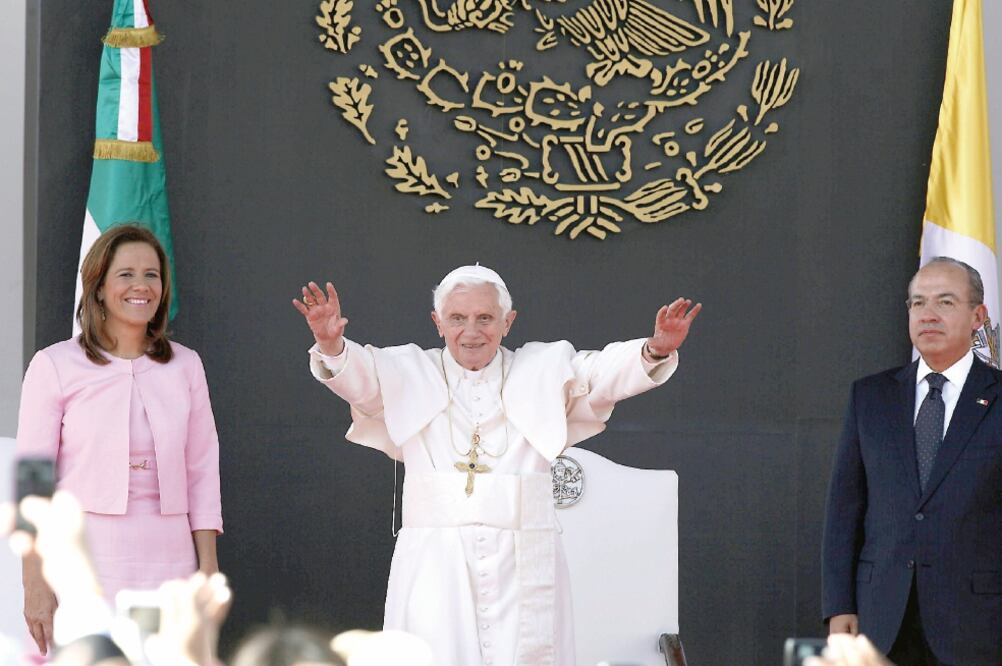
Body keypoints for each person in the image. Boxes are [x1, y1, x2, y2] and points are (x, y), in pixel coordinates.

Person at [292, 264, 701, 665]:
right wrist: (331, 346)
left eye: (485, 318)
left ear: (509, 322)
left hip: (523, 562)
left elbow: (602, 373)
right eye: (457, 318)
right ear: (437, 322)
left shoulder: (544, 367)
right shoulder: (407, 370)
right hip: (436, 562)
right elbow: (359, 377)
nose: (471, 331)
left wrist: (655, 350)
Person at [15, 224, 223, 657]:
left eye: (152, 274)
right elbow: (32, 482)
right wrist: (34, 580)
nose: (141, 286)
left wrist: (207, 568)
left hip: (171, 560)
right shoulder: (54, 365)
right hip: (86, 560)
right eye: (126, 273)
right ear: (99, 287)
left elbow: (201, 471)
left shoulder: (186, 366)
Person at [822, 257, 1002, 665]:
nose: (928, 315)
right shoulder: (870, 397)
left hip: (979, 623)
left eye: (945, 302)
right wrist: (838, 606)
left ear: (979, 316)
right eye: (918, 303)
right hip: (880, 618)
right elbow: (844, 510)